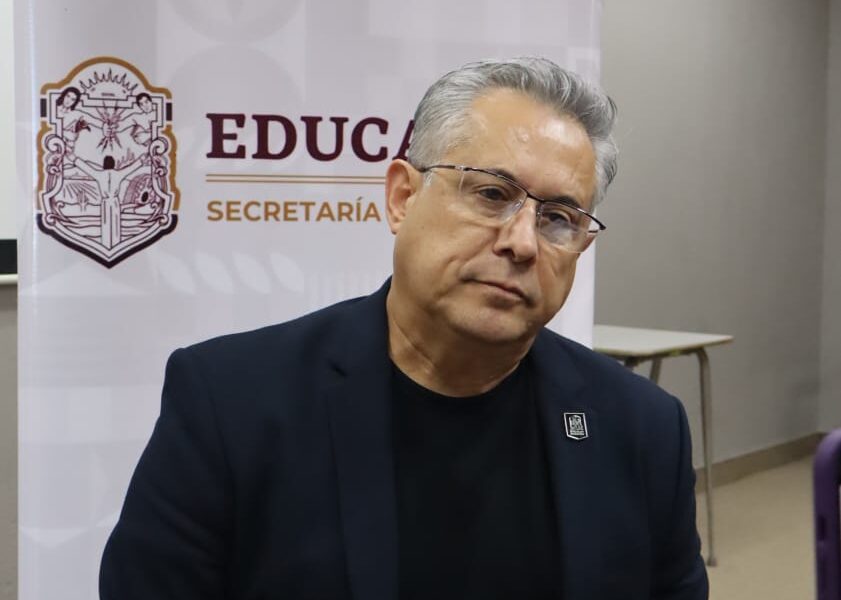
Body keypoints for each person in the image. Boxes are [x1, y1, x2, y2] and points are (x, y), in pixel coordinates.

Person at [100, 57, 708, 600]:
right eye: (491, 193)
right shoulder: (230, 403)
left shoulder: (642, 428)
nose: (522, 242)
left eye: (558, 218)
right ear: (401, 197)